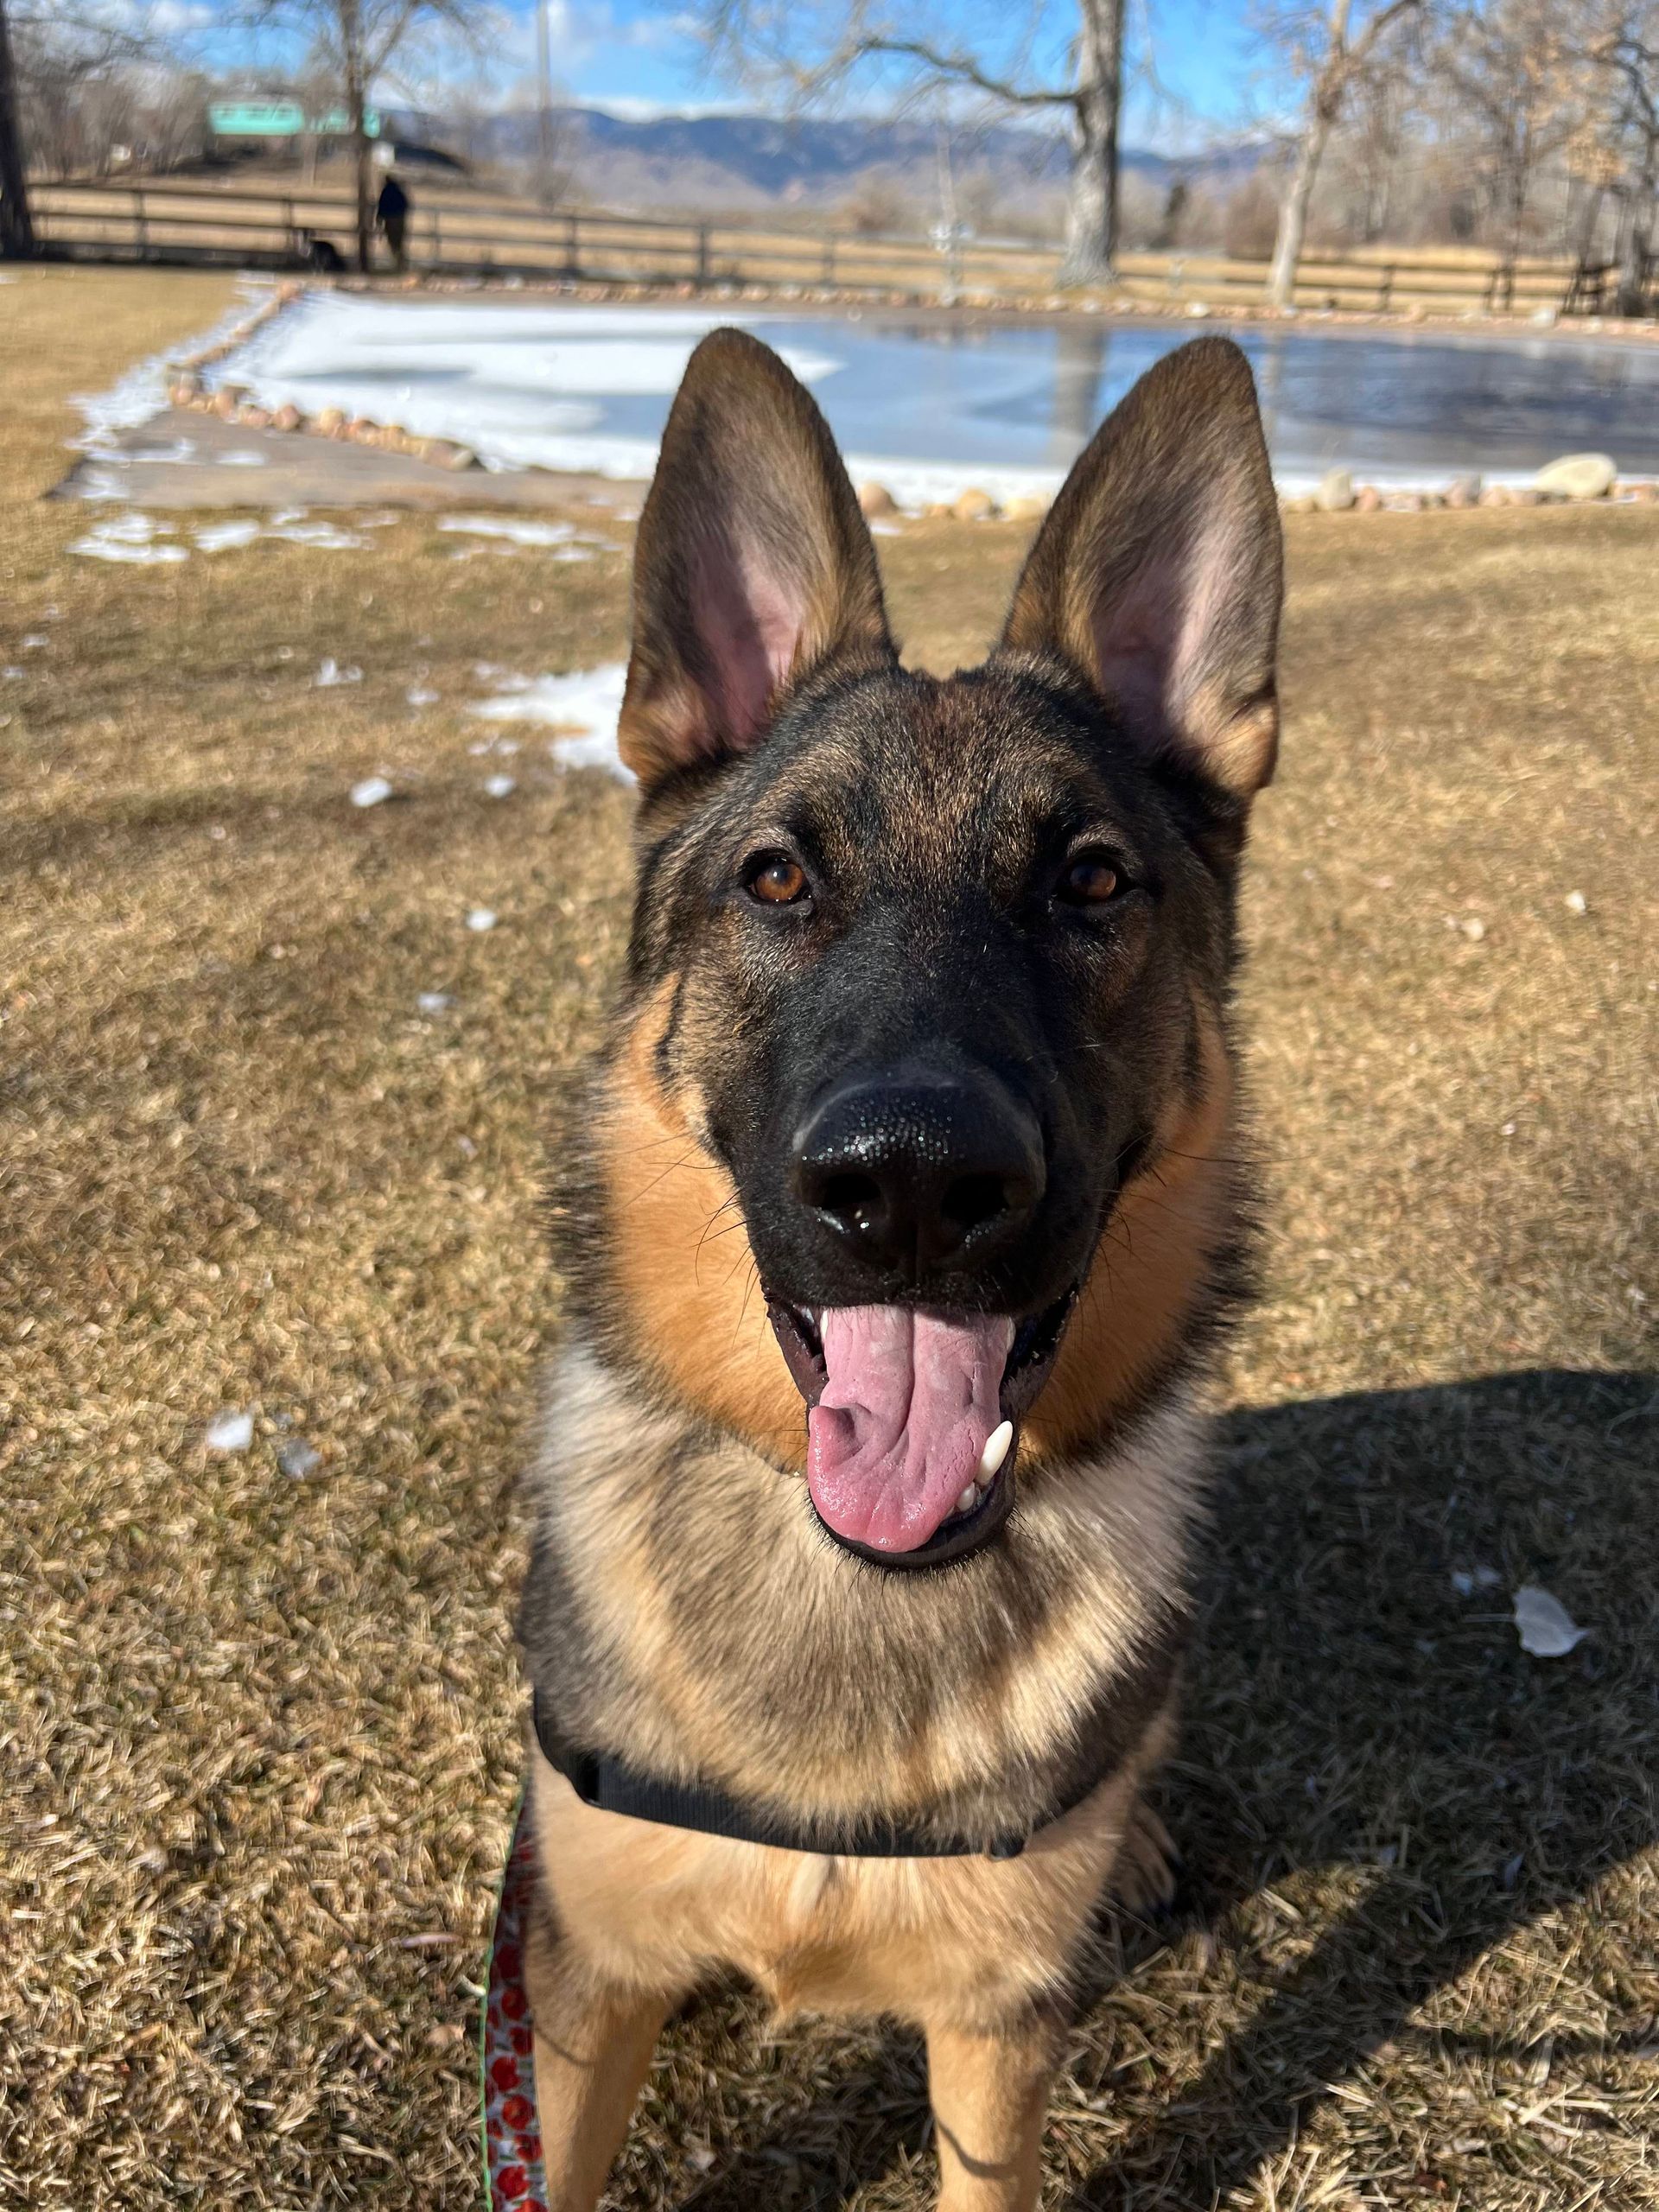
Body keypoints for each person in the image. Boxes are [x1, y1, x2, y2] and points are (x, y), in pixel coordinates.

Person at [376, 169, 410, 273]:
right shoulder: (399, 191)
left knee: (392, 241)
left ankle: (397, 262)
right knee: (399, 241)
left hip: (390, 219)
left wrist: (379, 219)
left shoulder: (385, 191)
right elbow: (405, 204)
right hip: (399, 219)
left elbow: (381, 206)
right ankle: (401, 263)